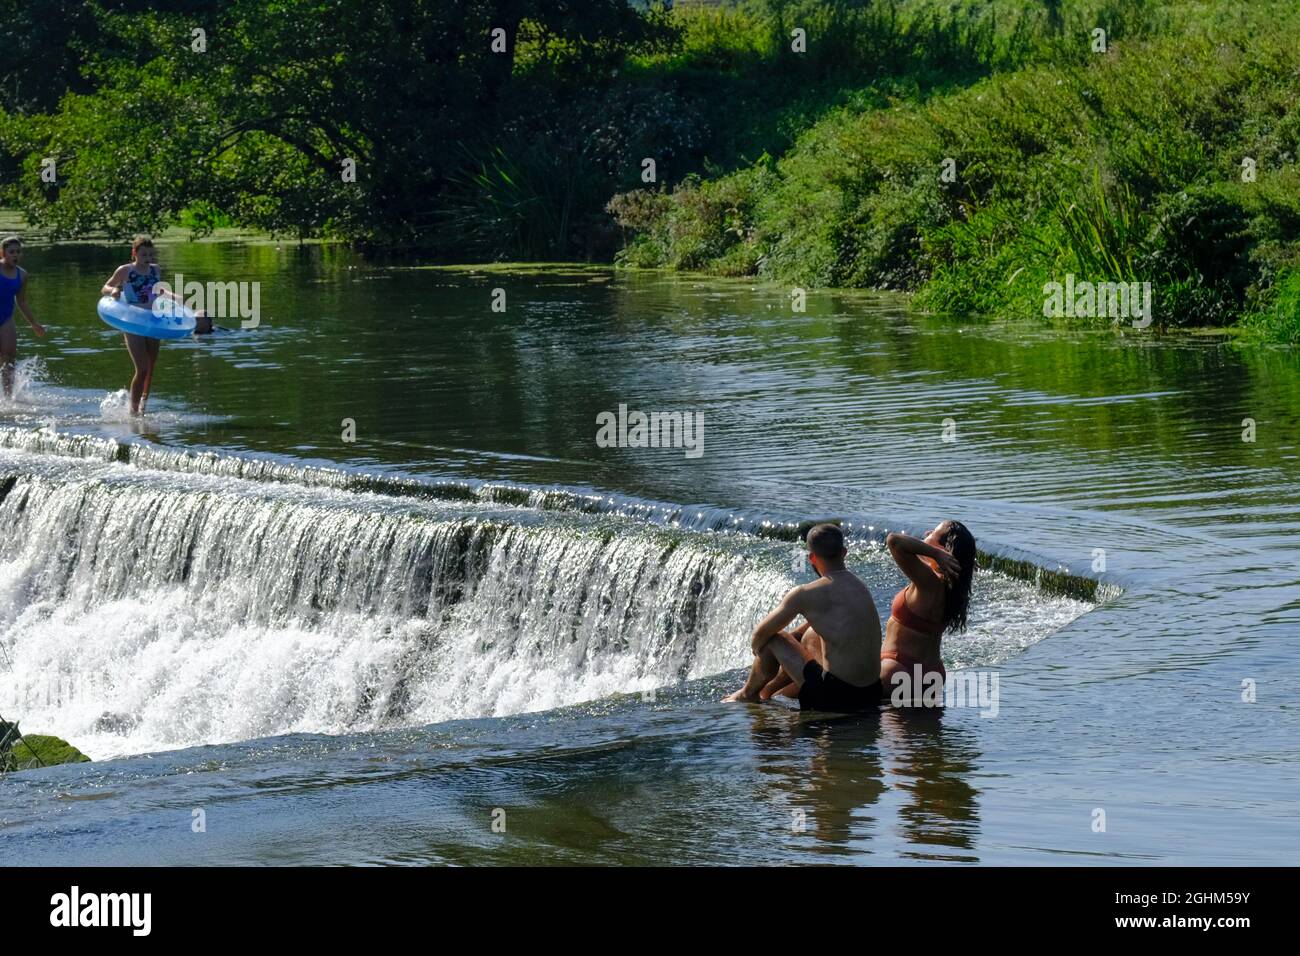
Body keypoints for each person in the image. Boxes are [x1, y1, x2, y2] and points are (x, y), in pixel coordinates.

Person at [723, 523, 884, 713]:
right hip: (872, 694)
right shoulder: (860, 587)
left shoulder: (806, 594)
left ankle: (747, 694)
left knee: (775, 638)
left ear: (812, 558)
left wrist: (762, 652)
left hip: (836, 699)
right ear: (844, 552)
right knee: (809, 633)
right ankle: (770, 691)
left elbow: (759, 635)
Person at [881, 521, 976, 705]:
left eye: (934, 532)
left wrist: (934, 553)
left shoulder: (930, 583)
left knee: (886, 732)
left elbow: (894, 541)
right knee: (926, 732)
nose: (927, 532)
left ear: (944, 550)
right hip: (932, 674)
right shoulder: (955, 586)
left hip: (899, 670)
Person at [100, 235, 177, 414]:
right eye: (144, 254)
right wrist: (114, 290)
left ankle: (143, 405)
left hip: (153, 320)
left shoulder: (156, 270)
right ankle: (132, 411)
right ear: (134, 253)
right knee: (141, 368)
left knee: (150, 367)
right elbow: (104, 287)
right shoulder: (125, 270)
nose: (148, 258)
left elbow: (157, 291)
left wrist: (173, 298)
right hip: (133, 322)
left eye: (151, 255)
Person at [0, 236, 47, 398]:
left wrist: (34, 323)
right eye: (11, 252)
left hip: (5, 319)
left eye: (18, 252)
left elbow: (21, 301)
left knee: (9, 358)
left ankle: (7, 398)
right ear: (2, 253)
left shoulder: (22, 275)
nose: (15, 255)